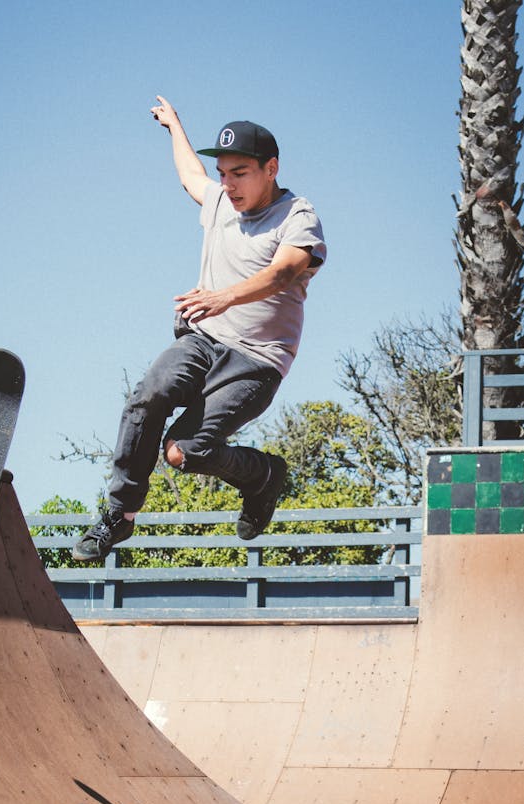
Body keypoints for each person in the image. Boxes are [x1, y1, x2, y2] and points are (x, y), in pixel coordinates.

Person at [73, 95, 326, 561]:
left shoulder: (297, 215)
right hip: (203, 341)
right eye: (225, 174)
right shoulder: (219, 202)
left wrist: (223, 296)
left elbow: (286, 271)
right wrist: (174, 127)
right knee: (146, 397)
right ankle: (119, 514)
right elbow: (192, 174)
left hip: (256, 360)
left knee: (183, 452)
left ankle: (262, 476)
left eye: (241, 174)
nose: (228, 185)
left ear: (271, 168)